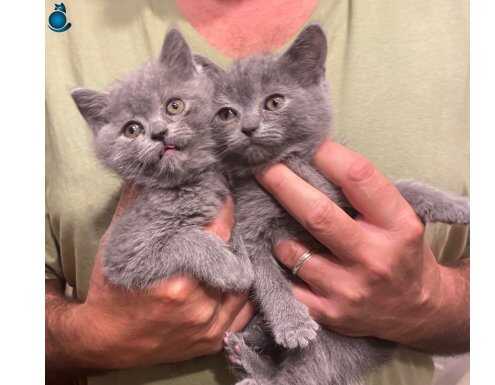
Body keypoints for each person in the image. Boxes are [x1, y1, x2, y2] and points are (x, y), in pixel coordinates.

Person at [45, 1, 469, 384]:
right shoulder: (49, 27)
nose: (247, 124)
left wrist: (434, 302)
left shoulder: (462, 18)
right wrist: (86, 337)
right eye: (227, 113)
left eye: (174, 108)